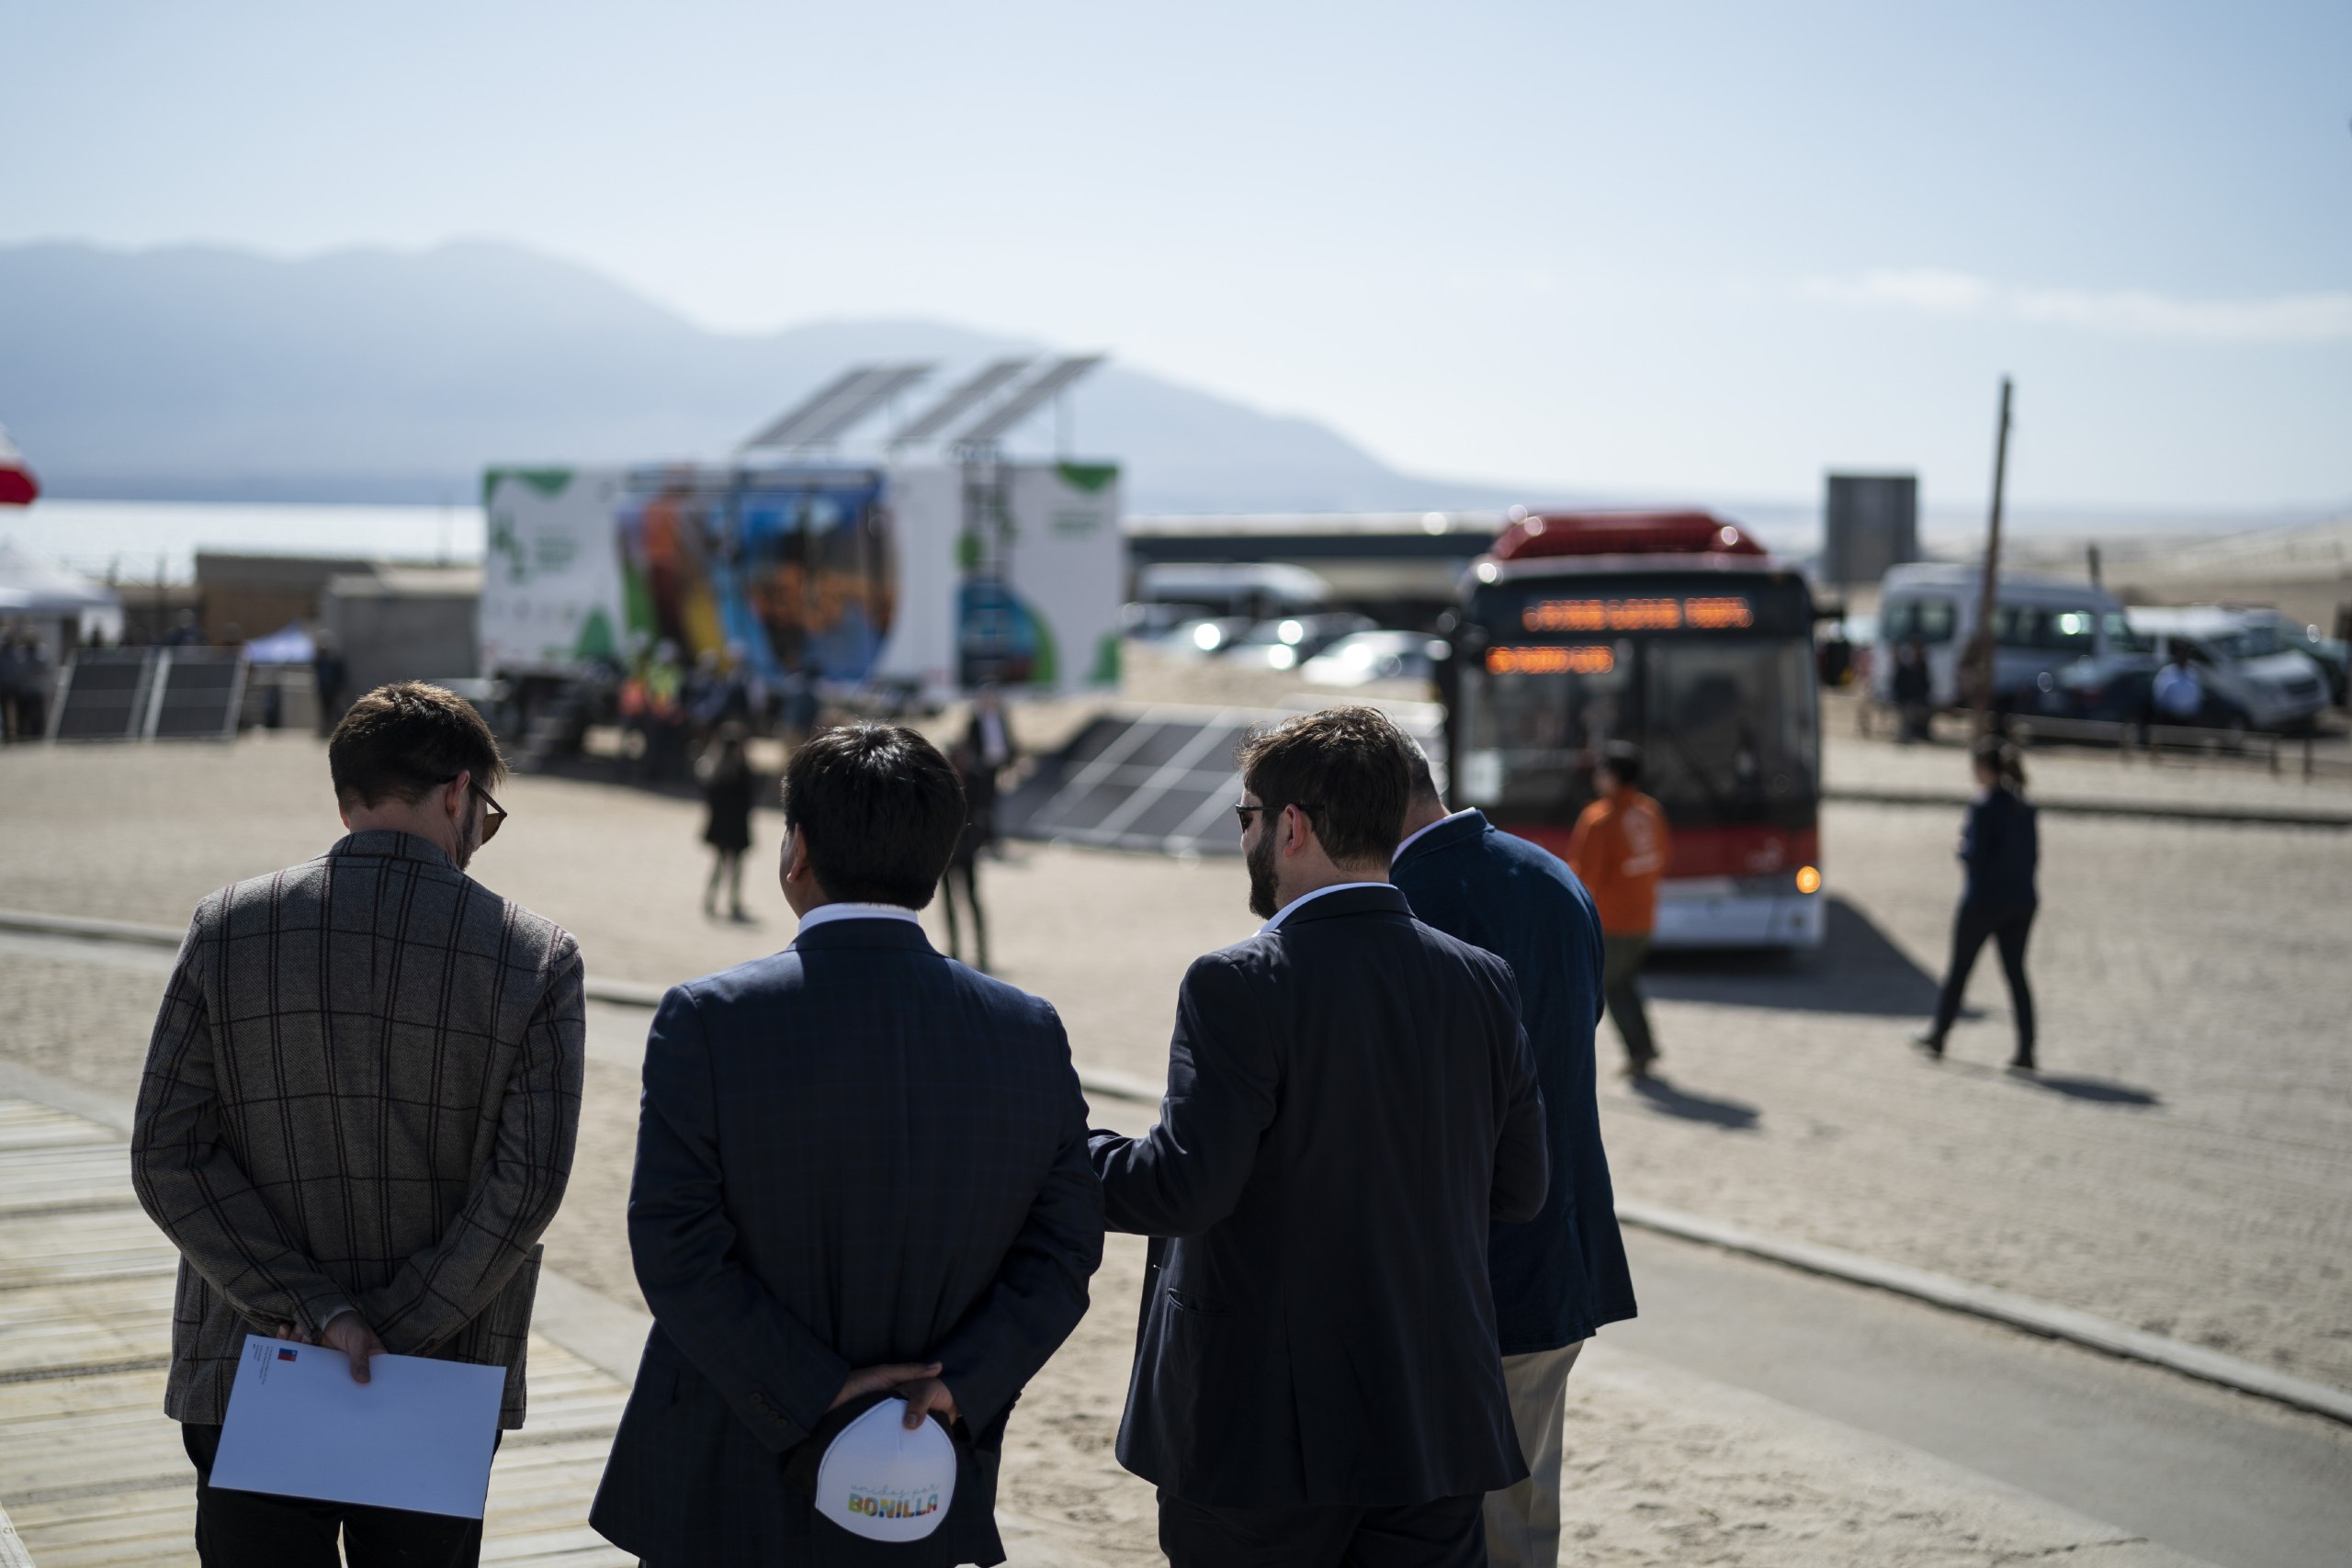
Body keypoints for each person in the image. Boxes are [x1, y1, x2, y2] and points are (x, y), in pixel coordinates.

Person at [590, 723, 1101, 1567]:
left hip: (728, 1466)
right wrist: (960, 1381)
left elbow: (675, 1246)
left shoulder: (711, 1018)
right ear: (940, 859)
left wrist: (817, 1386)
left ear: (796, 850)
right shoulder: (1026, 1029)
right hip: (921, 1463)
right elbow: (1066, 1247)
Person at [130, 682, 584, 1568]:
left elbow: (165, 1156)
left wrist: (321, 1313)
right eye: (486, 818)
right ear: (459, 793)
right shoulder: (533, 957)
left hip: (251, 1361)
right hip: (439, 1376)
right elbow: (526, 1187)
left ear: (347, 800)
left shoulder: (228, 928)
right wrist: (389, 1333)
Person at [1090, 705, 1546, 1568]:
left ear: (1291, 826)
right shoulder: (1482, 979)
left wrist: (1065, 1153)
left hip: (1260, 1427)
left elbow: (1184, 1188)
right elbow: (1521, 1189)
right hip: (1436, 1414)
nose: (1245, 838)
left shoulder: (1238, 981)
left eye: (1246, 817)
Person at [1390, 743, 1636, 1568]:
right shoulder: (1553, 874)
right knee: (1523, 1517)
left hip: (1469, 1271)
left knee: (1461, 1527)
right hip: (1559, 1251)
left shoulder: (1408, 901)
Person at [1914, 738, 2041, 1071]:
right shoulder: (2024, 805)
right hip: (2021, 901)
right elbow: (2034, 856)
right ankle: (2027, 1049)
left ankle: (1939, 1036)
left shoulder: (1983, 807)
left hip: (1983, 901)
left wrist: (1961, 848)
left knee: (1959, 970)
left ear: (1984, 769)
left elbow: (1976, 855)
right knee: (2016, 973)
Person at [1566, 740, 1671, 1079]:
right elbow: (1663, 858)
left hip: (1611, 923)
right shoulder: (1650, 810)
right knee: (1621, 982)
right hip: (1644, 918)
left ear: (1611, 777)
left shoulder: (1599, 819)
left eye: (1601, 770)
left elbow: (1583, 878)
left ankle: (1572, 1063)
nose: (1596, 777)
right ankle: (1643, 1049)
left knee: (1597, 989)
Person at [940, 736, 993, 971]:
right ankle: (954, 949)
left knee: (972, 900)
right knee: (948, 903)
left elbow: (982, 814)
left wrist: (974, 845)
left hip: (967, 850)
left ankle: (981, 951)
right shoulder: (942, 780)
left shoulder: (975, 778)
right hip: (945, 852)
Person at [698, 720, 757, 920]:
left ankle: (712, 900)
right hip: (735, 827)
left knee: (720, 865)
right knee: (734, 867)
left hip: (722, 827)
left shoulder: (714, 770)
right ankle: (732, 901)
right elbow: (748, 800)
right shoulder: (739, 771)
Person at [1892, 634, 1933, 742]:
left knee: (1909, 718)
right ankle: (1905, 736)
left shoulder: (1920, 664)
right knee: (1904, 718)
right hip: (1905, 696)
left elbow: (1923, 682)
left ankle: (1907, 736)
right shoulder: (1907, 664)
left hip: (1913, 697)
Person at [2152, 640, 2204, 725]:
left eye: (2185, 655)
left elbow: (2198, 696)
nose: (2183, 657)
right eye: (2180, 654)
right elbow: (2158, 694)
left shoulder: (2193, 674)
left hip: (2189, 719)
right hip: (2169, 718)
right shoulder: (2166, 672)